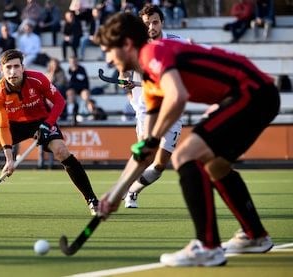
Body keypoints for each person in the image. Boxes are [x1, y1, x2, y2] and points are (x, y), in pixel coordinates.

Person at [95, 12, 278, 267]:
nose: (107, 59)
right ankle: (255, 235)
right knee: (215, 165)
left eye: (109, 51)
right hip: (255, 94)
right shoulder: (149, 82)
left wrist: (153, 137)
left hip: (251, 92)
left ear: (126, 45)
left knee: (184, 155)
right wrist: (115, 194)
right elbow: (144, 150)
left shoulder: (152, 53)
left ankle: (208, 246)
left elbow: (178, 97)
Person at [0, 49, 99, 216]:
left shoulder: (38, 79)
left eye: (16, 66)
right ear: (1, 69)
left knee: (61, 151)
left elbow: (59, 101)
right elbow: (3, 126)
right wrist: (9, 159)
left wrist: (47, 124)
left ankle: (92, 199)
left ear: (23, 67)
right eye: (8, 67)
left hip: (41, 122)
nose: (12, 71)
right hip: (13, 124)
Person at [122, 4, 183, 208]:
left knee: (159, 166)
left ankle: (133, 190)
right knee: (145, 157)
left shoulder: (176, 43)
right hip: (146, 109)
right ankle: (126, 190)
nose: (151, 27)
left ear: (162, 23)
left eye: (155, 22)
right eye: (147, 23)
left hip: (171, 109)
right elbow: (123, 75)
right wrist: (130, 93)